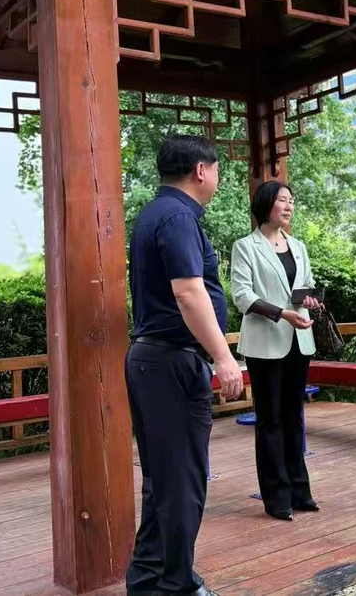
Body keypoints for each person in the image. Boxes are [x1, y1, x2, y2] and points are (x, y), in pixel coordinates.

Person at [124, 135, 244, 596]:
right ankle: (177, 584)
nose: (217, 178)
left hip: (155, 361)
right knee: (182, 481)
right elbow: (189, 292)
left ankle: (149, 580)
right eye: (216, 170)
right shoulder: (177, 216)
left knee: (164, 479)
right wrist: (224, 356)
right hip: (171, 361)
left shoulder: (157, 212)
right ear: (200, 170)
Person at [230, 180, 322, 521]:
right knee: (270, 420)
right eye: (283, 200)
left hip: (300, 340)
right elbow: (242, 295)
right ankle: (276, 497)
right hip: (265, 342)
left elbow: (304, 287)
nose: (289, 206)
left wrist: (309, 299)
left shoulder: (298, 246)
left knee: (294, 417)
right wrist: (281, 313)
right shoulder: (245, 246)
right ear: (266, 204)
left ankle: (300, 491)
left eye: (291, 201)